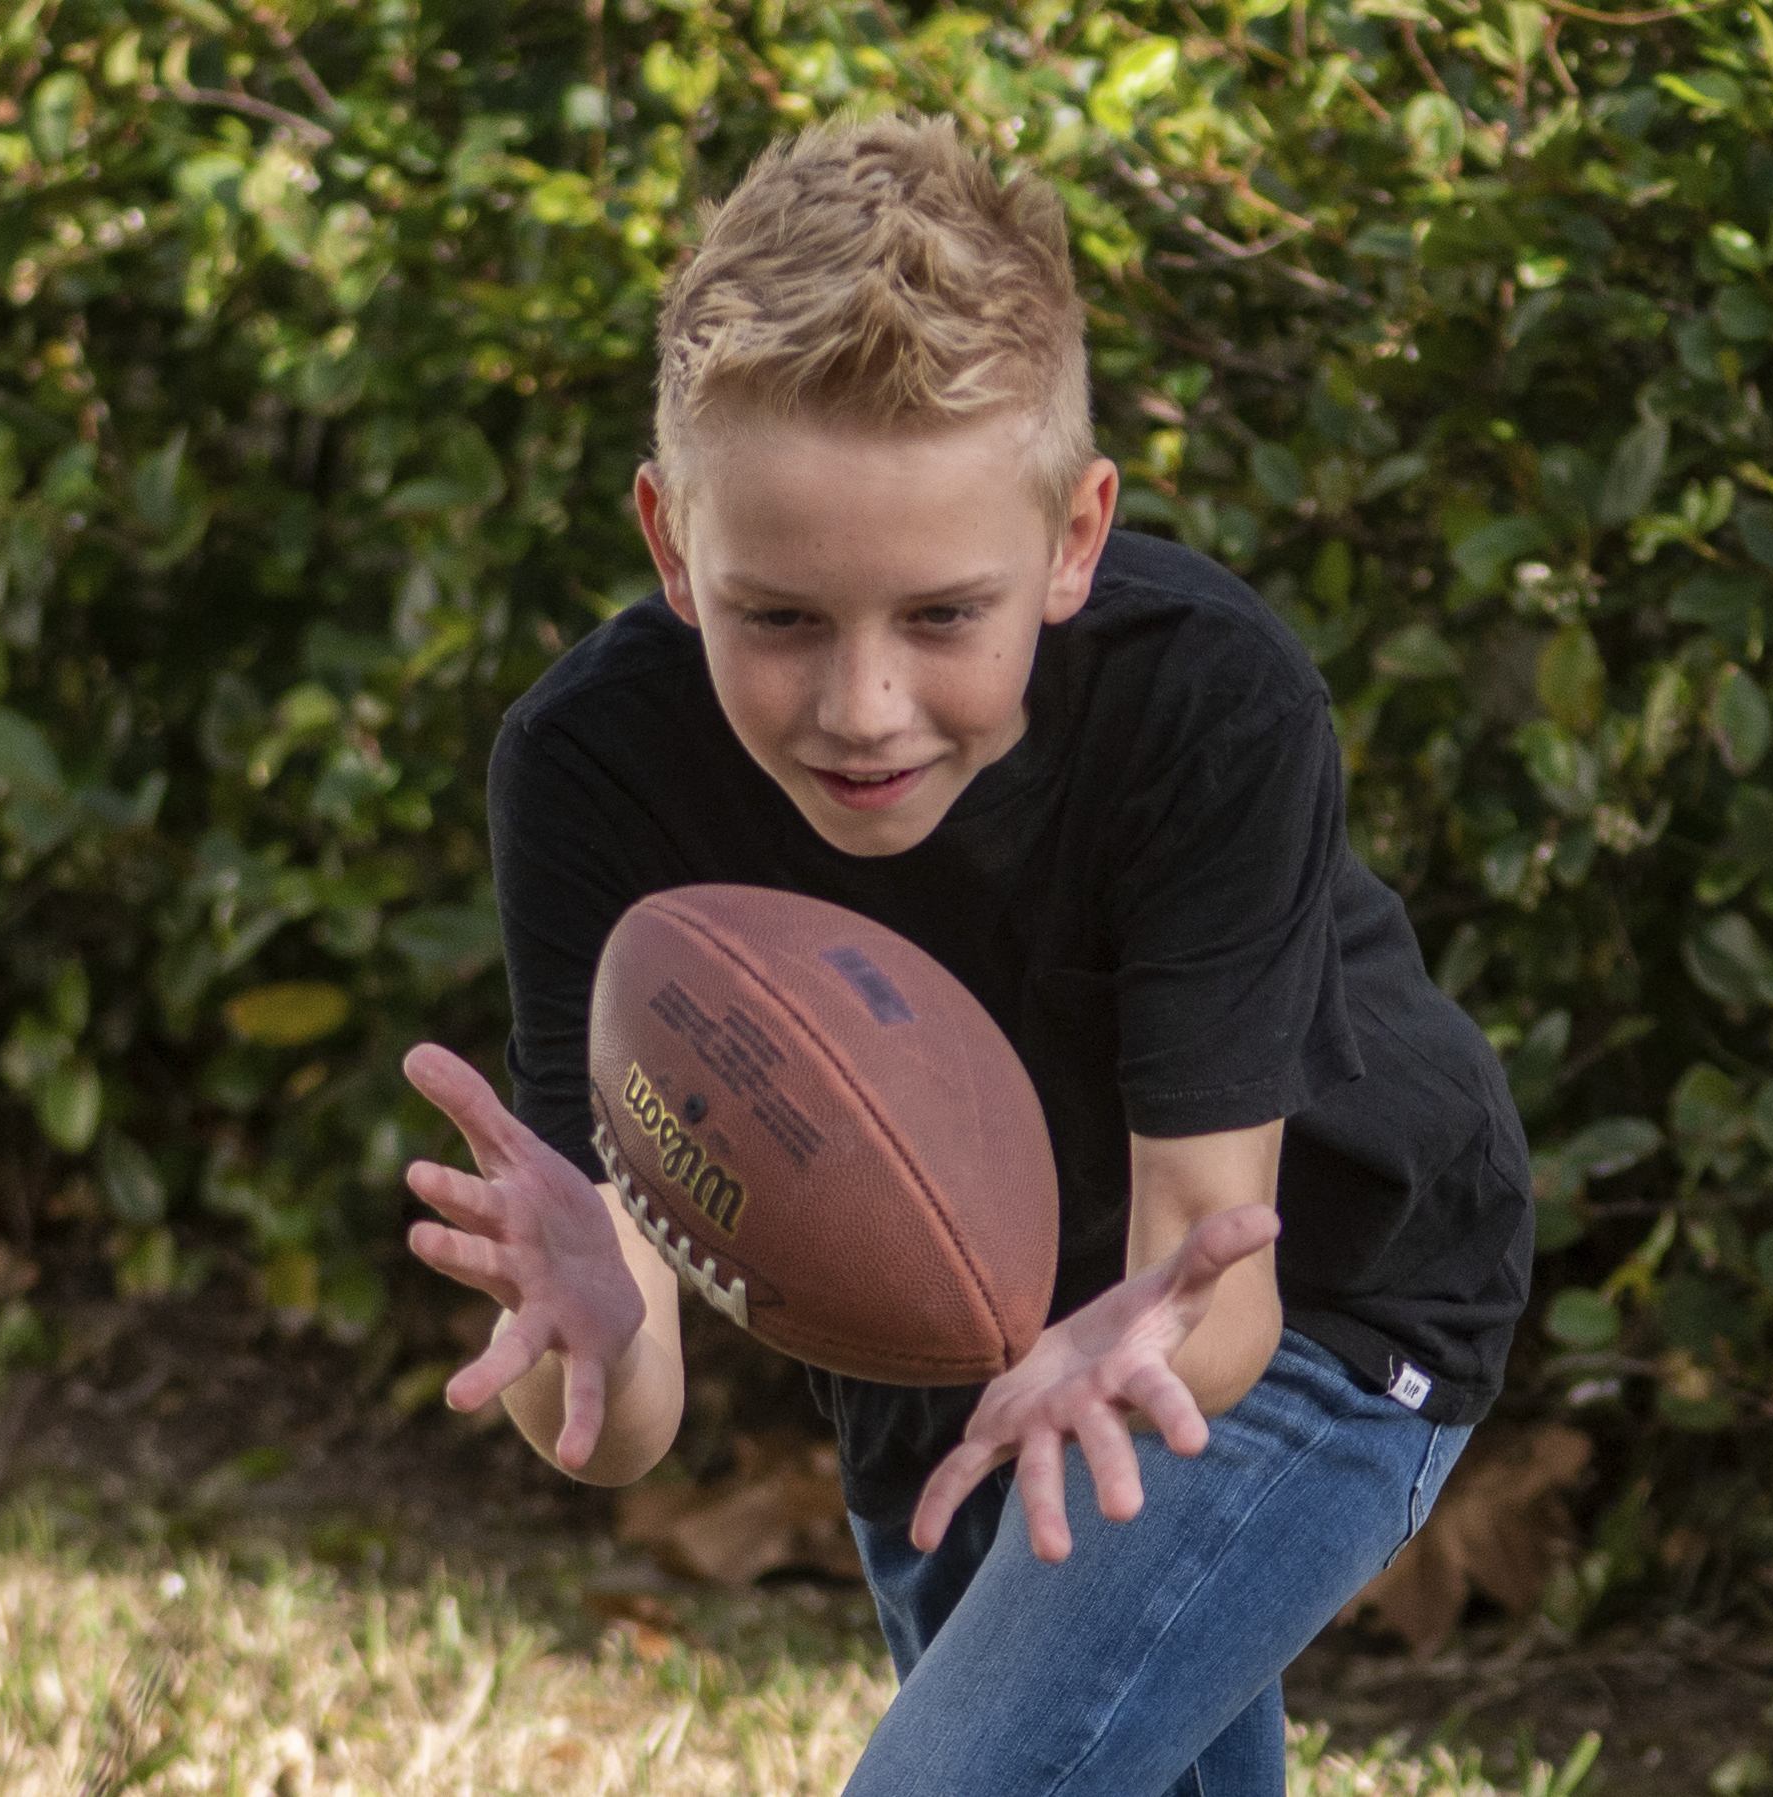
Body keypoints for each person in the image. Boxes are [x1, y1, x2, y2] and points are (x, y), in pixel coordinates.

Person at [396, 112, 1532, 1796]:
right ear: (667, 543)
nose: (862, 707)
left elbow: (1204, 1282)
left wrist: (1103, 1349)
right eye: (776, 616)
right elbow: (622, 1423)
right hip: (935, 1355)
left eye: (943, 615)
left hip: (1309, 1306)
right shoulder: (591, 770)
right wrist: (593, 1322)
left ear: (1075, 538)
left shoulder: (1204, 701)